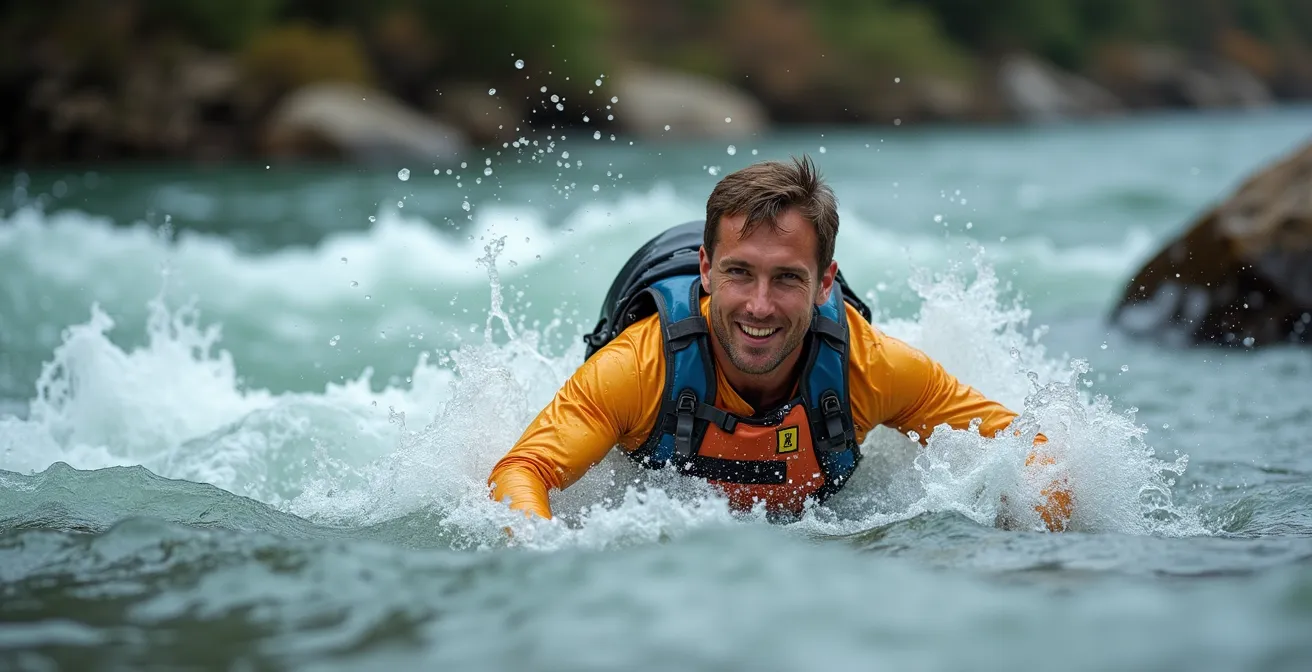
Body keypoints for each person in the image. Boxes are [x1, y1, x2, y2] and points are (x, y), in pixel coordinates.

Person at [487, 156, 1072, 531]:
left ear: (823, 284)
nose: (759, 306)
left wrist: (1022, 542)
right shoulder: (636, 369)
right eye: (740, 273)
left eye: (787, 278)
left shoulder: (874, 369)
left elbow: (1034, 448)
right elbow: (520, 472)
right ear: (707, 272)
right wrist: (547, 570)